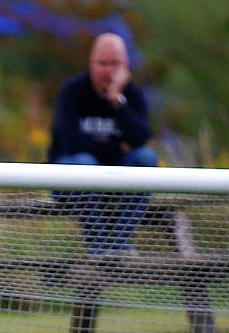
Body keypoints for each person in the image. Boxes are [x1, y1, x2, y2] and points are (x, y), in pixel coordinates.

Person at [48, 33, 160, 257]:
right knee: (85, 162)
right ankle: (97, 246)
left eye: (115, 63)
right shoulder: (72, 91)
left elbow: (140, 139)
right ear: (91, 63)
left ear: (126, 66)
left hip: (114, 179)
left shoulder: (132, 95)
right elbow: (71, 143)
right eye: (102, 63)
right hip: (72, 177)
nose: (108, 71)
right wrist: (118, 149)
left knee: (146, 158)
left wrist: (116, 100)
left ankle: (120, 245)